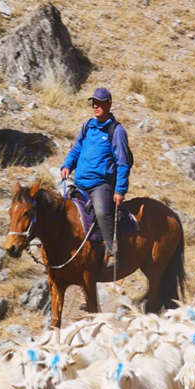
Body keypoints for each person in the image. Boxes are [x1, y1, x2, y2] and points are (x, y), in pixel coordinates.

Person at [60, 87, 132, 269]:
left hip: (101, 185)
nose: (96, 106)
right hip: (80, 183)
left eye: (100, 103)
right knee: (62, 209)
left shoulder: (116, 131)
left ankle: (112, 250)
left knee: (100, 212)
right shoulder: (87, 126)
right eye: (94, 103)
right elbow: (76, 149)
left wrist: (120, 190)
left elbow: (123, 162)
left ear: (109, 104)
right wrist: (67, 165)